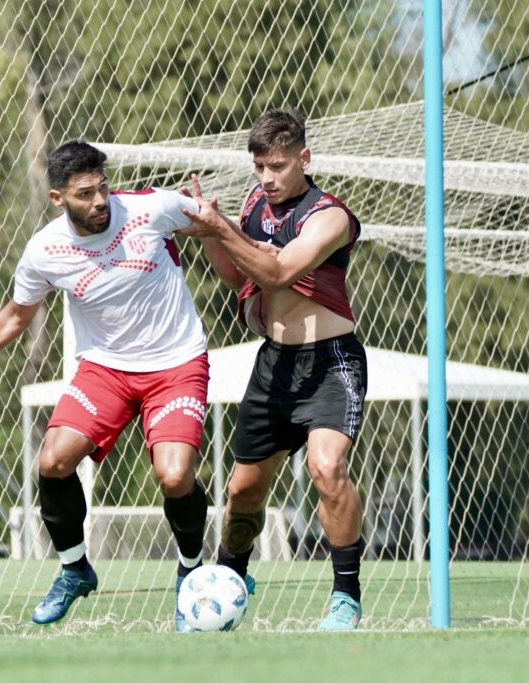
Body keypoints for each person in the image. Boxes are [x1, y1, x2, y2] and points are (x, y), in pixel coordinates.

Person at [0, 141, 211, 631]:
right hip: (105, 369)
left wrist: (262, 264)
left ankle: (191, 572)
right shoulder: (45, 250)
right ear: (58, 199)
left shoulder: (151, 208)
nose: (100, 201)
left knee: (175, 475)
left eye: (103, 188)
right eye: (85, 193)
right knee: (52, 461)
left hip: (175, 362)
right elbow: (16, 316)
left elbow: (214, 223)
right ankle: (75, 570)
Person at [182, 109, 368, 631]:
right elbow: (237, 274)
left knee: (326, 469)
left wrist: (223, 227)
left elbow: (279, 270)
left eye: (279, 165)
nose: (267, 176)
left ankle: (346, 594)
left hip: (331, 363)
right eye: (260, 165)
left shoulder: (330, 216)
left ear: (304, 159)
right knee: (243, 493)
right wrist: (212, 234)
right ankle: (230, 580)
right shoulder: (253, 207)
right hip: (273, 367)